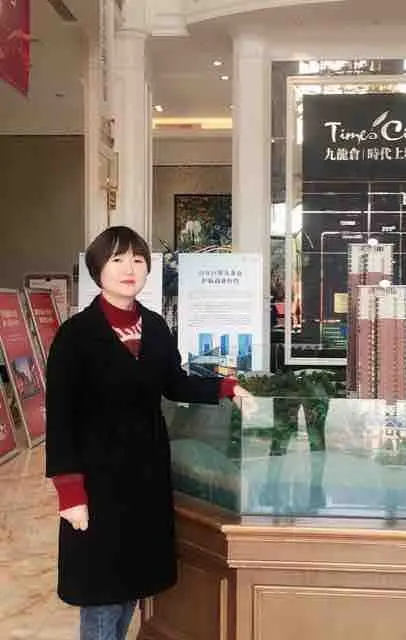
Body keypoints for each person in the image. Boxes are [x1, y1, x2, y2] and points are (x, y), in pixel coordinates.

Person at [45, 226, 251, 640]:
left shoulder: (154, 327)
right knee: (102, 592)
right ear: (98, 269)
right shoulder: (75, 335)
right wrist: (70, 494)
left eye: (138, 260)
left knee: (131, 585)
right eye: (118, 259)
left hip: (145, 479)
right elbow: (61, 418)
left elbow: (175, 384)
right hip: (98, 483)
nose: (130, 269)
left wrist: (226, 388)